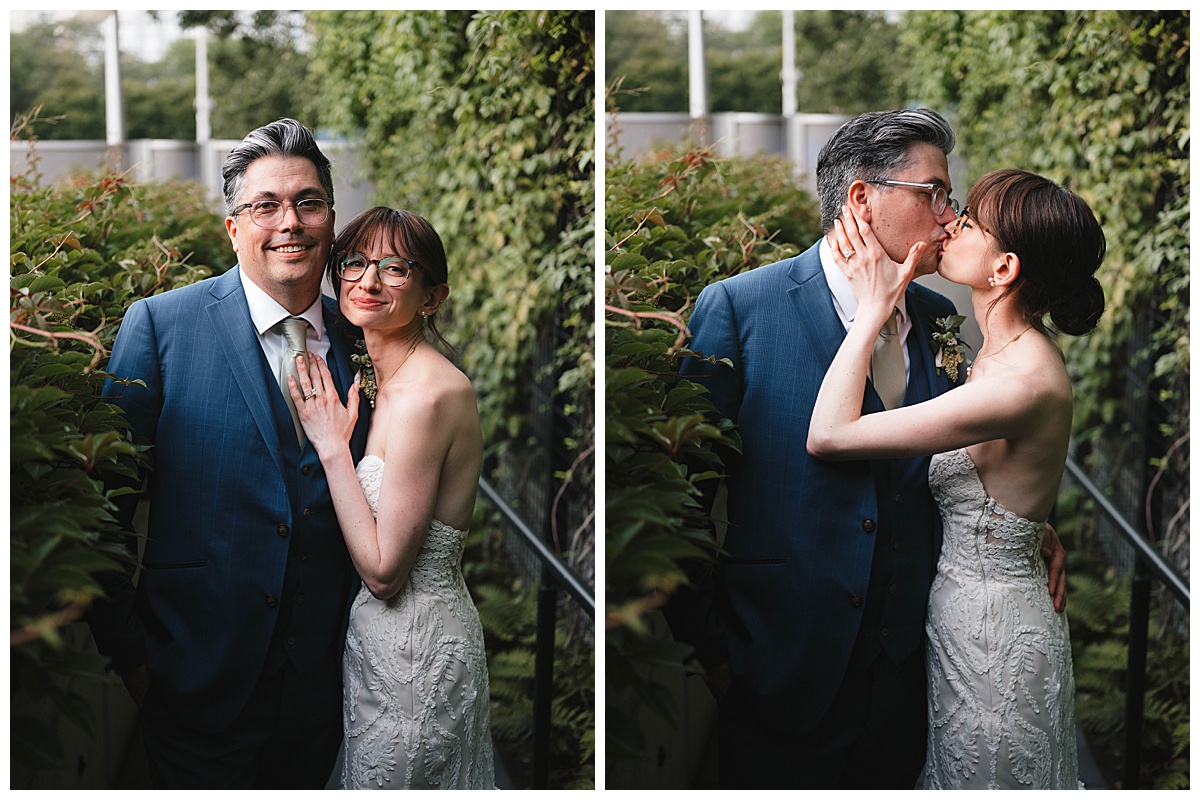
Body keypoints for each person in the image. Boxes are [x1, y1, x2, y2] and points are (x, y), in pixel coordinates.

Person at [665, 109, 1066, 789]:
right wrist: (718, 651)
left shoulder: (942, 319)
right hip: (778, 669)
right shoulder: (739, 308)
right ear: (861, 197)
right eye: (933, 194)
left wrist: (1024, 527)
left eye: (952, 201)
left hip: (915, 674)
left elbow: (963, 455)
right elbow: (682, 501)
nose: (947, 218)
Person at [87, 118, 368, 788]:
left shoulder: (369, 341)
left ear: (331, 219)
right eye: (265, 205)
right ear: (233, 228)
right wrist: (134, 656)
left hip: (336, 696)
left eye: (308, 202)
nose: (290, 223)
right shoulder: (159, 326)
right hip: (193, 688)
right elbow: (101, 512)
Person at [810, 167, 1104, 789]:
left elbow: (830, 435)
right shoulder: (996, 352)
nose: (950, 222)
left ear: (1004, 271)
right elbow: (998, 478)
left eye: (969, 222)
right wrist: (1025, 526)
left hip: (995, 643)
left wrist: (870, 311)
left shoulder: (1018, 382)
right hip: (964, 625)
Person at [286, 207, 495, 789]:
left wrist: (332, 446)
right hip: (381, 649)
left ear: (432, 297)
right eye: (354, 262)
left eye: (396, 269)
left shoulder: (426, 395)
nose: (367, 281)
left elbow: (383, 572)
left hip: (415, 653)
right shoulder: (386, 382)